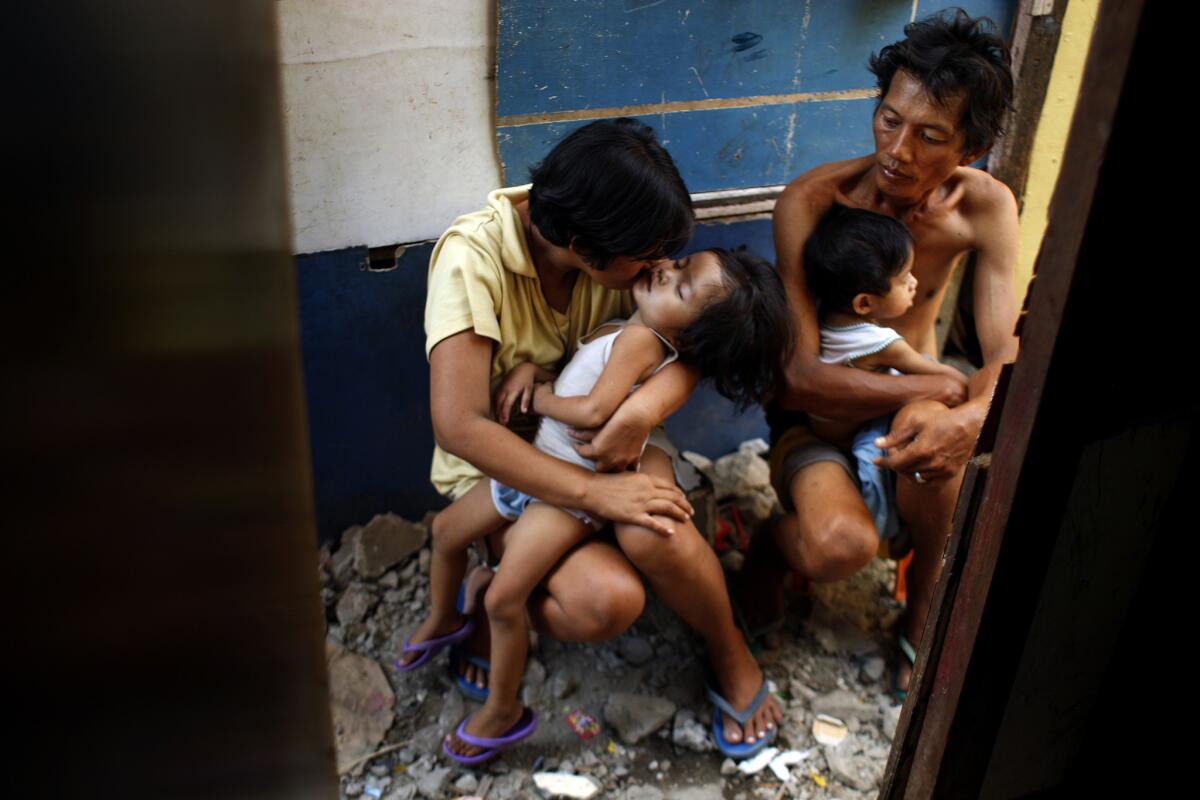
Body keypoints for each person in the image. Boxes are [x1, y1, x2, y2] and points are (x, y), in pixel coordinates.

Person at [418, 118, 783, 754]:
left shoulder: (619, 234)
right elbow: (459, 425)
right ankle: (488, 600)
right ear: (586, 249)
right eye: (649, 259)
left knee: (656, 525)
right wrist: (595, 497)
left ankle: (728, 648)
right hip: (521, 464)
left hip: (613, 439)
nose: (661, 266)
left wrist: (642, 415)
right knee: (606, 602)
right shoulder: (473, 259)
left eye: (668, 257)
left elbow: (699, 337)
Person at [740, 9, 1019, 699]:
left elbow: (1004, 346)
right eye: (889, 119)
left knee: (946, 456)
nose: (897, 149)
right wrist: (948, 394)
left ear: (972, 147)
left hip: (909, 409)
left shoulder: (983, 207)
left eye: (929, 136)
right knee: (841, 547)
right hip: (815, 423)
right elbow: (802, 379)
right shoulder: (812, 202)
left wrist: (972, 413)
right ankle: (769, 554)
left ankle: (920, 607)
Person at [802, 204, 967, 544]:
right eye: (905, 278)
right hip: (860, 434)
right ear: (864, 304)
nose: (915, 283)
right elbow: (940, 378)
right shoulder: (881, 343)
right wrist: (968, 389)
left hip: (820, 430)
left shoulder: (820, 320)